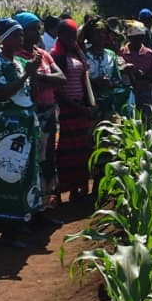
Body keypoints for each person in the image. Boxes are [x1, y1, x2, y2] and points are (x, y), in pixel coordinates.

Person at [0, 18, 43, 232]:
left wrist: (32, 73)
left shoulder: (21, 62)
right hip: (5, 126)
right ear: (5, 38)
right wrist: (26, 74)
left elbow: (34, 95)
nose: (21, 39)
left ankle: (17, 221)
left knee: (23, 173)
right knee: (3, 173)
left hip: (25, 125)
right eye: (17, 35)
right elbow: (0, 92)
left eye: (22, 35)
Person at [15, 12, 66, 222]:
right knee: (30, 161)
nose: (38, 32)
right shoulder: (15, 55)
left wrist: (37, 75)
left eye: (39, 28)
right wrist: (40, 78)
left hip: (47, 113)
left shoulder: (42, 55)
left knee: (46, 160)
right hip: (29, 115)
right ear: (21, 31)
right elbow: (27, 86)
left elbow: (60, 77)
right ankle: (27, 209)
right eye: (33, 28)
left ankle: (43, 207)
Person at [51, 18, 96, 199]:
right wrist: (78, 107)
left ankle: (80, 188)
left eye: (73, 35)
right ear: (60, 35)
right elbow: (59, 92)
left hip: (80, 110)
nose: (72, 38)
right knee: (67, 151)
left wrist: (87, 105)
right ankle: (67, 189)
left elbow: (84, 77)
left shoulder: (76, 53)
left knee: (81, 150)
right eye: (68, 35)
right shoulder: (57, 56)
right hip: (67, 110)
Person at [85, 20, 133, 120]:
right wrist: (94, 82)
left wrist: (109, 83)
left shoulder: (111, 54)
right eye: (96, 33)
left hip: (108, 104)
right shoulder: (84, 55)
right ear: (90, 36)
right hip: (89, 104)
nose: (100, 36)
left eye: (102, 33)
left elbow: (117, 79)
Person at [120, 21, 152, 125]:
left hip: (145, 92)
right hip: (126, 92)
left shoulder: (149, 53)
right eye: (135, 38)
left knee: (146, 120)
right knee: (128, 119)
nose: (138, 40)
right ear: (129, 38)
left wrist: (143, 75)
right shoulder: (121, 52)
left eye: (140, 37)